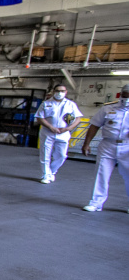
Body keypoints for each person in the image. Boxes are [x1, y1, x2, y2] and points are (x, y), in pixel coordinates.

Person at [81, 83, 129, 213]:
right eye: (125, 96)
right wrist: (86, 143)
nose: (127, 99)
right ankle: (96, 203)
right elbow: (94, 125)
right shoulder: (108, 109)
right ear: (121, 95)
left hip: (127, 146)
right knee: (101, 173)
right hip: (108, 145)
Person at [35, 84, 82, 184]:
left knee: (61, 155)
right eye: (57, 91)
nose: (59, 93)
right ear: (53, 91)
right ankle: (45, 175)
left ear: (66, 92)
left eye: (62, 91)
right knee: (45, 155)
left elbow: (78, 118)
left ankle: (52, 171)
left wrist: (68, 128)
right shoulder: (46, 103)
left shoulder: (71, 104)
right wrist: (51, 127)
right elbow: (39, 117)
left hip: (63, 133)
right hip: (48, 132)